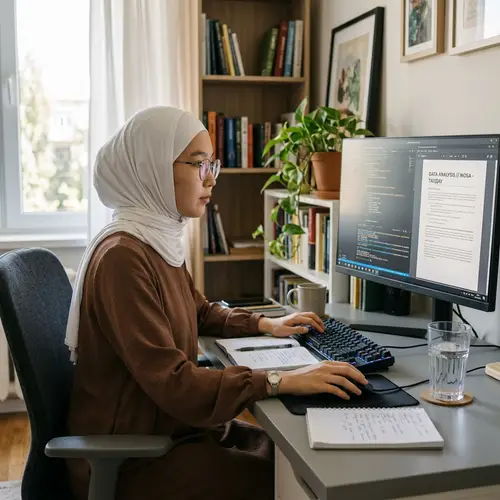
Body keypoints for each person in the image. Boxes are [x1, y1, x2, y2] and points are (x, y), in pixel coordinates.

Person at [64, 106, 368, 500]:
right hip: (133, 460)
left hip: (170, 432)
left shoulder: (156, 237)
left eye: (213, 165)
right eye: (197, 165)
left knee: (297, 458)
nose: (210, 179)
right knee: (293, 483)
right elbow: (173, 382)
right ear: (152, 167)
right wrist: (280, 380)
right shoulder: (123, 257)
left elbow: (199, 311)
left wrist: (266, 324)